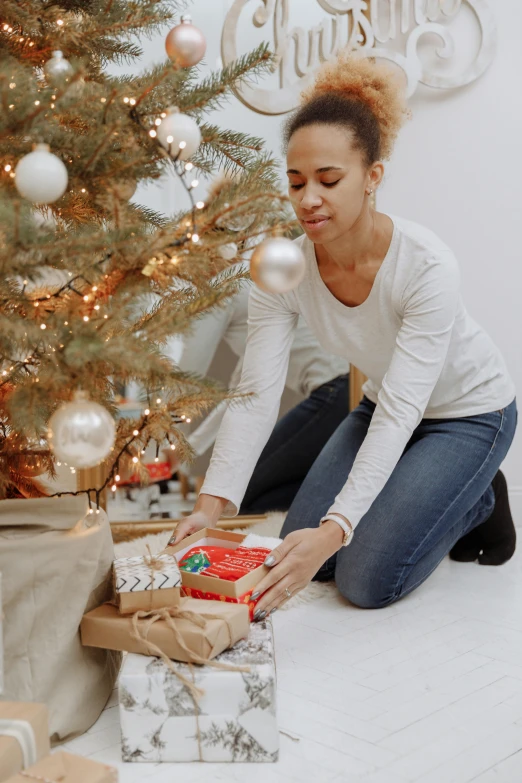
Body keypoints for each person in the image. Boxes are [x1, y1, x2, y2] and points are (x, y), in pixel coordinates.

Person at [169, 53, 517, 621]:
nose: (309, 199)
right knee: (298, 551)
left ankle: (479, 497)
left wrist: (339, 529)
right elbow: (255, 390)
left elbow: (408, 407)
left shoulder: (427, 266)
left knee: (364, 578)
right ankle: (425, 488)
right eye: (296, 181)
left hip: (469, 413)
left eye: (329, 180)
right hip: (383, 408)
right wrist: (213, 506)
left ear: (372, 176)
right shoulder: (282, 265)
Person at [177, 275, 349, 512]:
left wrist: (171, 435)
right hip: (337, 392)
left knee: (242, 490)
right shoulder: (256, 297)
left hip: (337, 391)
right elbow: (243, 392)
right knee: (260, 494)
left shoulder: (222, 286)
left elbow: (186, 378)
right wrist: (190, 446)